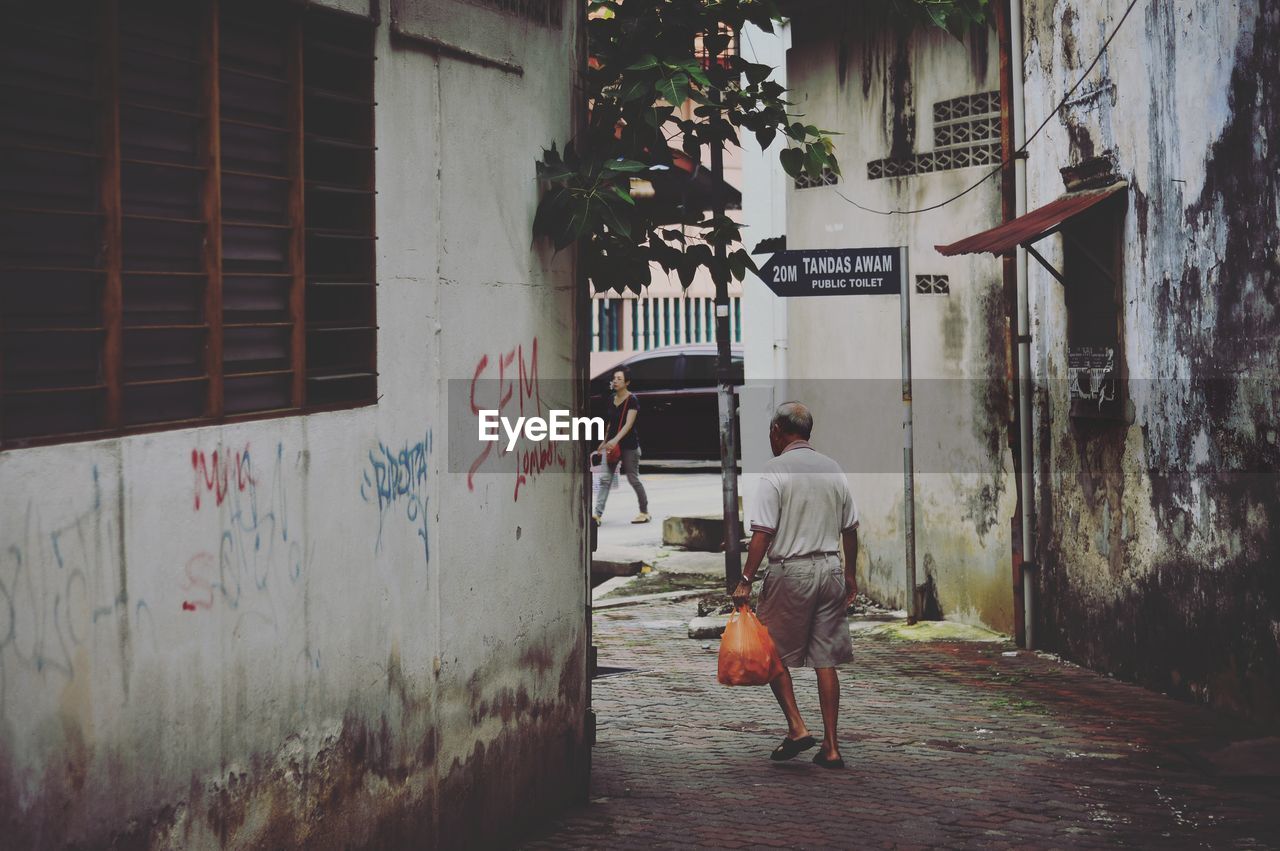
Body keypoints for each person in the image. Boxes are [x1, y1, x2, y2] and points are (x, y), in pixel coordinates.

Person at [731, 401, 858, 769]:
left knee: (770, 651)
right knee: (826, 660)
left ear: (777, 431)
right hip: (831, 568)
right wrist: (849, 574)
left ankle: (797, 727)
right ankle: (832, 748)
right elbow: (850, 528)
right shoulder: (833, 468)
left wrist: (745, 580)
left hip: (792, 571)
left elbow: (762, 533)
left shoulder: (775, 470)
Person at [593, 367, 650, 524]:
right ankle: (597, 514)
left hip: (629, 446)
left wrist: (615, 440)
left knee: (633, 479)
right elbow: (611, 424)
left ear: (627, 382)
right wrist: (604, 442)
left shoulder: (632, 400)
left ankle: (644, 512)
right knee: (605, 479)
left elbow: (628, 425)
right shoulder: (611, 398)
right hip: (612, 446)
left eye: (619, 379)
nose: (615, 381)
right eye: (614, 378)